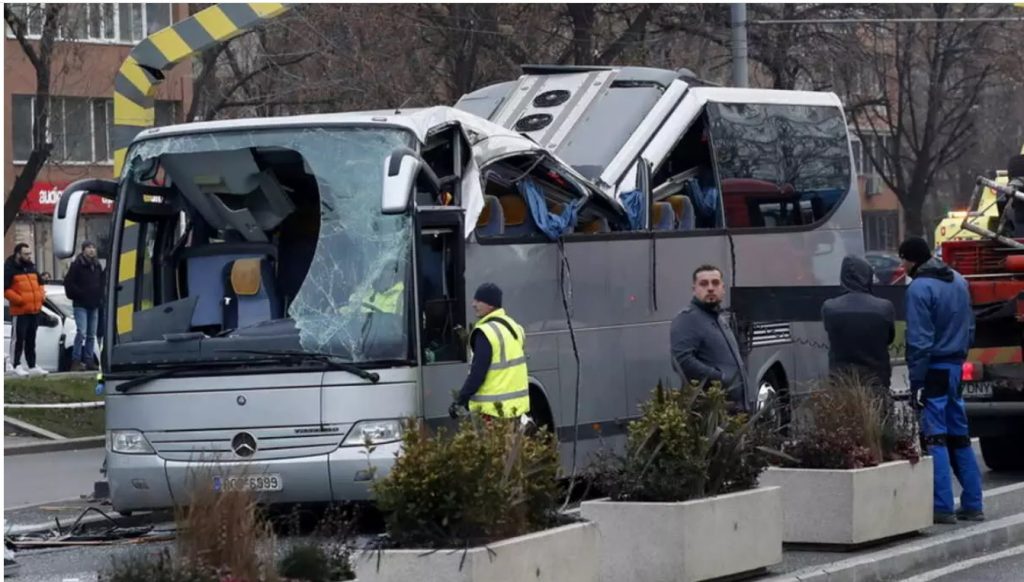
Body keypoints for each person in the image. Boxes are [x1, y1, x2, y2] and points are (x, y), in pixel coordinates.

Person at [900, 236, 983, 524]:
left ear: (912, 261)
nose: (902, 266)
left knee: (935, 436)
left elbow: (919, 340)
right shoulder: (959, 281)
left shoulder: (919, 289)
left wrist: (916, 381)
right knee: (959, 435)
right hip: (955, 367)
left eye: (904, 260)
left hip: (933, 368)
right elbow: (970, 326)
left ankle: (942, 506)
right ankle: (973, 503)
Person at [670, 264, 748, 410]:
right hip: (712, 412)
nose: (710, 288)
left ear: (723, 289)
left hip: (734, 410)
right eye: (704, 284)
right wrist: (720, 379)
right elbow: (682, 360)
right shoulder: (687, 319)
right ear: (694, 290)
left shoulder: (719, 319)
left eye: (715, 283)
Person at [449, 283, 531, 420]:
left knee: (490, 442)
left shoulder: (486, 332)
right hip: (515, 408)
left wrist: (460, 400)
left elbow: (478, 373)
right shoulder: (515, 327)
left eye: (479, 301)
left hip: (491, 411)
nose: (473, 304)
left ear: (491, 305)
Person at [821, 255, 896, 391]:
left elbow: (830, 333)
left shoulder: (830, 307)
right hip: (876, 379)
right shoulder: (884, 307)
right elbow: (889, 338)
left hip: (842, 382)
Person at [4, 243, 47, 377]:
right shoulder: (10, 269)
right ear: (18, 254)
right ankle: (15, 364)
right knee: (18, 338)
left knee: (31, 338)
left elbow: (40, 284)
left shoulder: (31, 267)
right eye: (26, 254)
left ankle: (32, 364)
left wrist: (41, 297)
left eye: (29, 254)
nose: (29, 256)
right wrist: (19, 300)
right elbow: (5, 289)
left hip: (34, 309)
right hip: (20, 311)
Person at [64, 240, 104, 371]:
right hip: (81, 304)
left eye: (93, 247)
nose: (92, 250)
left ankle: (89, 360)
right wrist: (80, 294)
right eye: (89, 248)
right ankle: (76, 360)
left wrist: (100, 296)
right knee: (82, 332)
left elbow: (101, 282)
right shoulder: (77, 265)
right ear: (83, 250)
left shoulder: (97, 265)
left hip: (94, 304)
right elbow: (69, 284)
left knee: (92, 334)